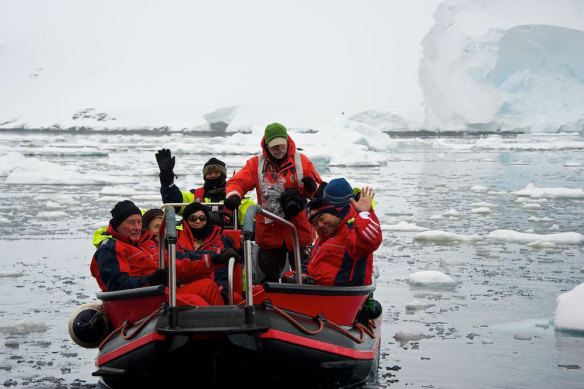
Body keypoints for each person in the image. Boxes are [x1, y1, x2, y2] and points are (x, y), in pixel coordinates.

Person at [223, 122, 323, 282]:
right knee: (269, 276)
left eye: (281, 145)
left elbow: (319, 192)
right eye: (274, 146)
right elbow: (238, 182)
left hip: (299, 231)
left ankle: (305, 303)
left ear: (287, 142)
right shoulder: (256, 164)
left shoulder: (301, 161)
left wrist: (312, 187)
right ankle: (271, 303)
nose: (279, 149)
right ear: (266, 145)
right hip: (270, 232)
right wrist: (234, 196)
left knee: (306, 274)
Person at [90, 200, 224, 306]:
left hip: (163, 291)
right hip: (143, 300)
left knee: (208, 286)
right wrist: (150, 280)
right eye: (131, 223)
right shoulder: (110, 249)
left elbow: (177, 259)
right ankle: (210, 336)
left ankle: (225, 332)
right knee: (195, 301)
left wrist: (216, 258)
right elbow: (117, 285)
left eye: (139, 222)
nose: (137, 227)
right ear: (117, 225)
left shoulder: (146, 242)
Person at [303, 186, 382, 286]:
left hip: (341, 295)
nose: (320, 225)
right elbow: (309, 262)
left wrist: (364, 214)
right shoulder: (323, 238)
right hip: (316, 292)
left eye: (322, 218)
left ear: (335, 213)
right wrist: (303, 275)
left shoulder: (350, 233)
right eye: (314, 224)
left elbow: (371, 241)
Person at [155, 151, 253, 227]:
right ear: (204, 176)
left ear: (223, 174)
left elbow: (251, 221)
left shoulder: (238, 199)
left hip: (228, 245)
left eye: (217, 172)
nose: (213, 175)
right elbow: (173, 201)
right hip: (196, 246)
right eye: (209, 173)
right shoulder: (193, 197)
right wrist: (166, 177)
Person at [175, 202, 243, 304]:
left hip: (213, 283)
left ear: (207, 219)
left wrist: (221, 291)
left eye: (202, 218)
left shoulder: (220, 241)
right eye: (193, 218)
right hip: (185, 284)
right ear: (186, 220)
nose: (198, 221)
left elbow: (222, 272)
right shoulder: (176, 238)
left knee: (236, 299)